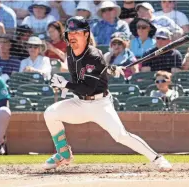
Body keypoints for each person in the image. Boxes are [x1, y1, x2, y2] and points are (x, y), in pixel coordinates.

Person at [43, 16, 172, 172]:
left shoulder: (94, 54)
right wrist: (105, 70)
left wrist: (65, 84)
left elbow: (88, 88)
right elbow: (81, 78)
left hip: (99, 105)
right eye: (70, 33)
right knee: (50, 113)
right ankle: (63, 154)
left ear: (85, 34)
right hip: (79, 103)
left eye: (77, 33)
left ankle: (158, 159)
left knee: (121, 136)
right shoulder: (70, 52)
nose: (72, 36)